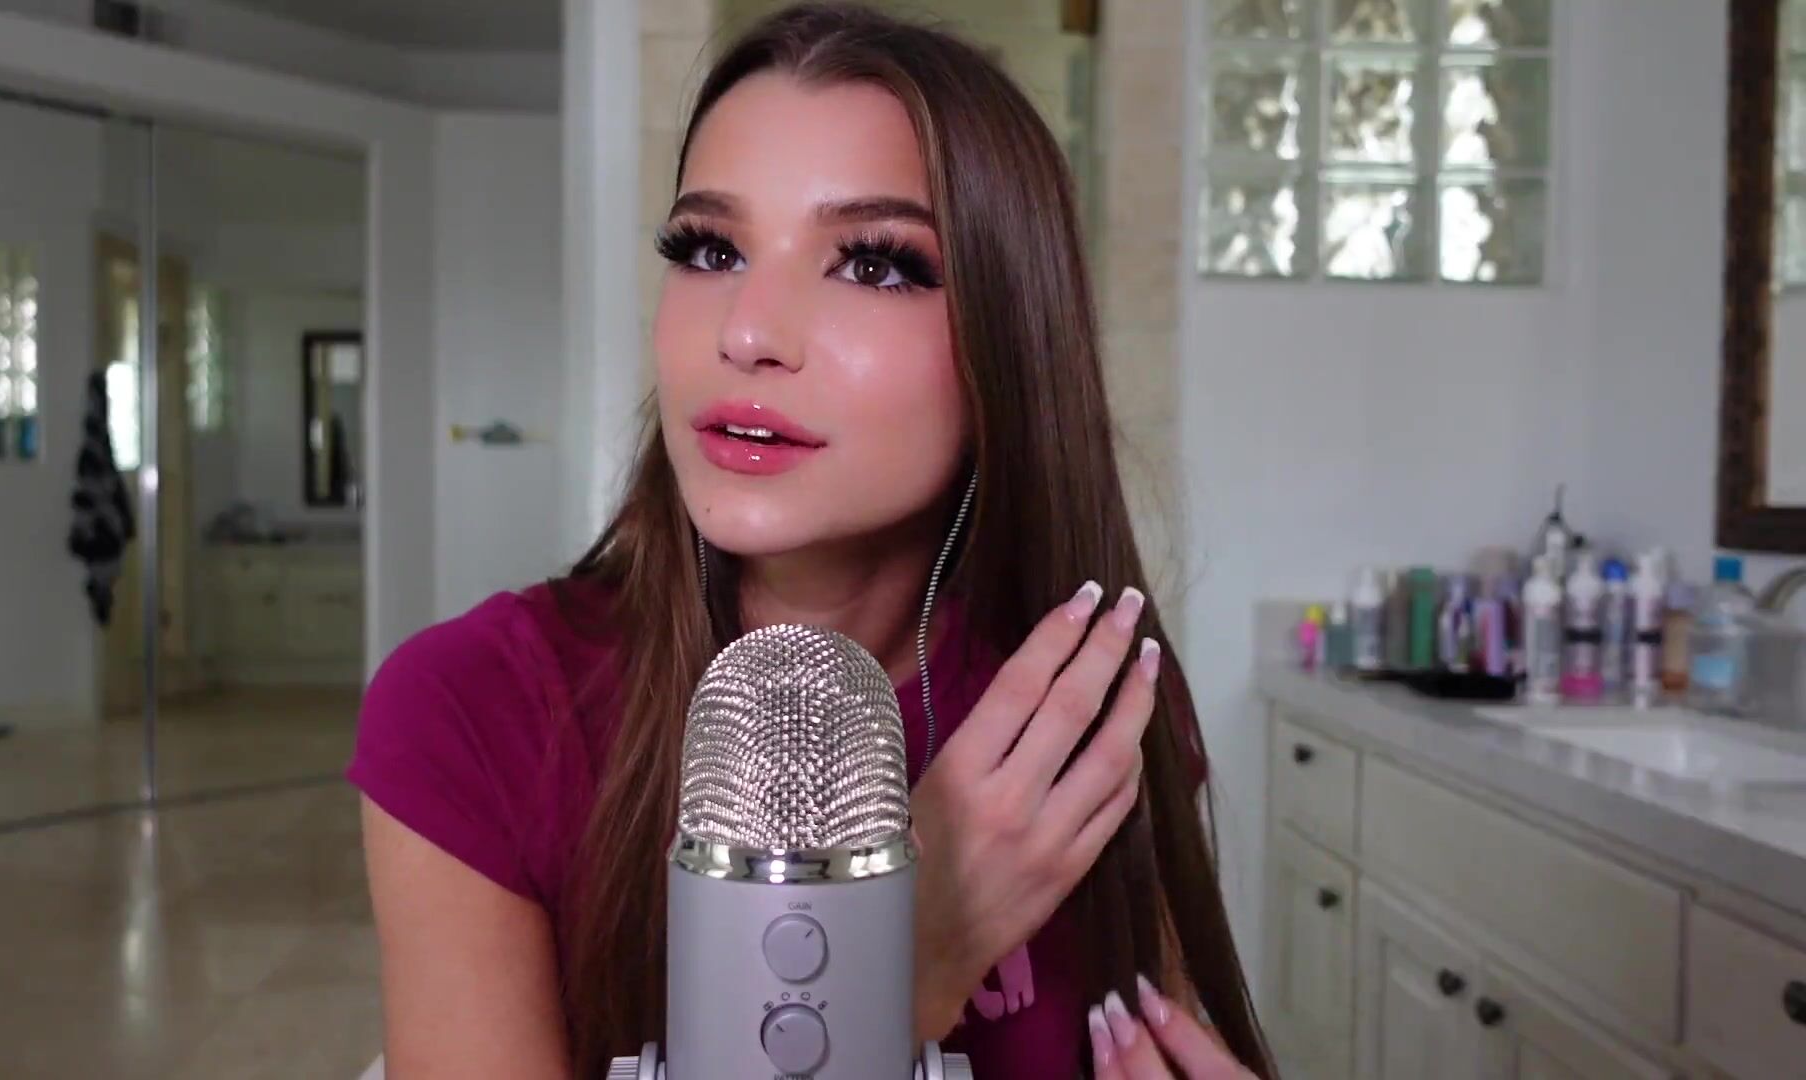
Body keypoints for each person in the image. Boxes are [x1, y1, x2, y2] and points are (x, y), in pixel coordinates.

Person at [351, 4, 1271, 1077]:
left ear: (1012, 339)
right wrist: (893, 964)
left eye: (873, 265)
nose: (747, 331)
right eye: (710, 248)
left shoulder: (1084, 707)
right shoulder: (474, 715)